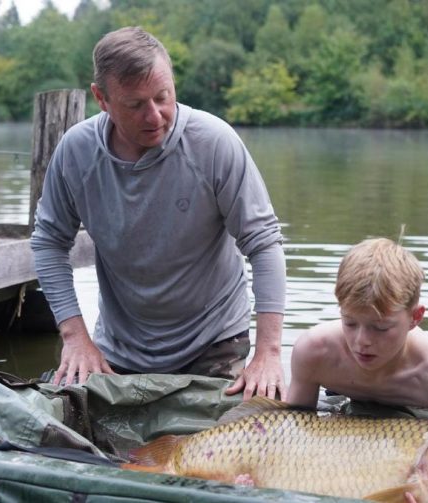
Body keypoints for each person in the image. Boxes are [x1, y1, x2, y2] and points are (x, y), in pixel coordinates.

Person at [30, 26, 286, 400]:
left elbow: (264, 244)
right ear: (101, 98)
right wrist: (75, 337)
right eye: (135, 105)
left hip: (213, 343)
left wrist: (268, 354)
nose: (155, 116)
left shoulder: (214, 143)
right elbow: (49, 242)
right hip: (119, 348)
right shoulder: (76, 152)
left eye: (163, 97)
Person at [286, 237, 428, 437]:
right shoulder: (314, 352)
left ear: (415, 317)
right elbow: (293, 429)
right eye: (350, 323)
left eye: (380, 328)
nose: (362, 341)